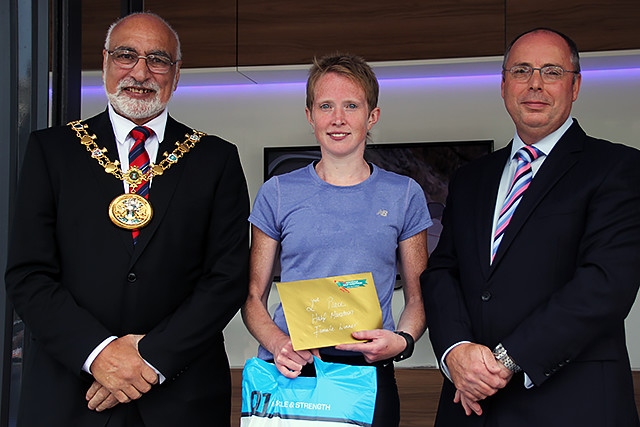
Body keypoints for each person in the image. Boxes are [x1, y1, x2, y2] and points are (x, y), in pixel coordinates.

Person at [5, 12, 249, 427]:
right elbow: (29, 274)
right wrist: (99, 353)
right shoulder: (53, 151)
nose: (140, 72)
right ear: (104, 63)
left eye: (157, 59)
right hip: (71, 394)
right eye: (126, 55)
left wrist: (150, 358)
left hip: (181, 395)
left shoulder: (215, 159)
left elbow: (226, 279)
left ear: (176, 72)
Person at [420, 27, 640, 426]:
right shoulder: (471, 178)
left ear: (575, 87)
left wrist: (507, 359)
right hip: (470, 405)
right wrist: (455, 350)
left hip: (572, 405)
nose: (535, 84)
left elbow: (606, 284)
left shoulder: (618, 168)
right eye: (521, 71)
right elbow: (442, 272)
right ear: (504, 85)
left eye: (551, 72)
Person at [241, 53, 432, 426]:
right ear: (310, 115)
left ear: (372, 116)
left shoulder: (403, 194)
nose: (338, 119)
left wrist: (403, 341)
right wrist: (279, 344)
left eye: (351, 106)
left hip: (367, 373)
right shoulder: (277, 192)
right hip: (292, 370)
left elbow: (418, 298)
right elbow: (252, 297)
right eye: (326, 105)